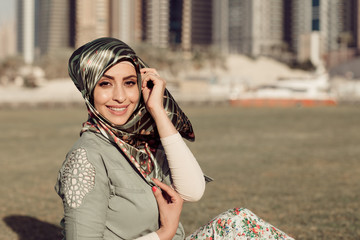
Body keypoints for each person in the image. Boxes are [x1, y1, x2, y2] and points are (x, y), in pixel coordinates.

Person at [55, 37, 295, 240]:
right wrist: (163, 233)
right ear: (88, 90)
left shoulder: (142, 143)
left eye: (129, 83)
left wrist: (158, 110)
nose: (120, 96)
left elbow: (192, 191)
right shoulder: (85, 158)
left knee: (238, 223)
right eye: (105, 84)